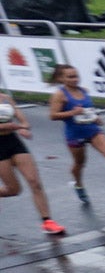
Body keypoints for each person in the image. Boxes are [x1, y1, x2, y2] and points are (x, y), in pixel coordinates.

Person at [47, 65, 105, 204]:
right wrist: (72, 113)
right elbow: (52, 116)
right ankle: (78, 185)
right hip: (75, 133)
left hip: (92, 130)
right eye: (70, 77)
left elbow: (89, 110)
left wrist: (97, 118)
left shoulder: (84, 91)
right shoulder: (60, 94)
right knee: (80, 163)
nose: (75, 79)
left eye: (76, 76)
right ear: (61, 78)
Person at [0, 92, 65, 235]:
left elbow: (23, 121)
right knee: (13, 190)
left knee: (34, 182)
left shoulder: (5, 97)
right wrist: (13, 126)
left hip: (13, 142)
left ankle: (48, 222)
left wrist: (23, 127)